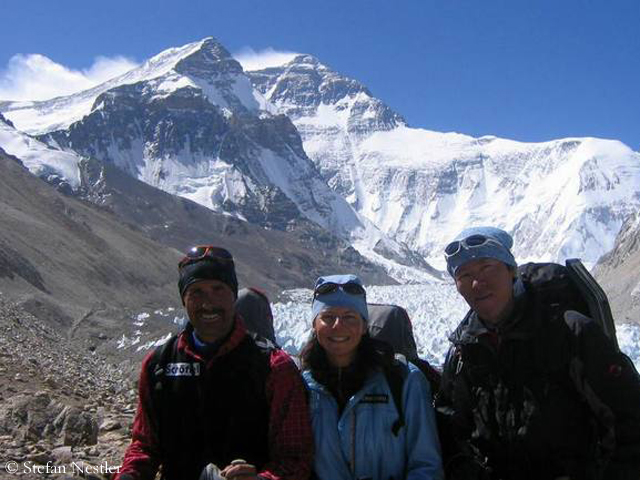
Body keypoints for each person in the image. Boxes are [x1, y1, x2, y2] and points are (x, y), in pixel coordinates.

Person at [435, 226, 640, 480]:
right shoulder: (464, 353)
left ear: (511, 270)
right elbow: (450, 429)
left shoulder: (570, 333)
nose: (477, 283)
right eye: (464, 275)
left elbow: (630, 421)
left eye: (487, 267)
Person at [116, 246, 313, 480]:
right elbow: (144, 446)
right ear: (184, 300)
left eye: (218, 289)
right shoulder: (159, 364)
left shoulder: (273, 366)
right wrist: (130, 475)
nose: (208, 303)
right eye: (196, 292)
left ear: (233, 294)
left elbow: (295, 459)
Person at [300, 274, 444, 480]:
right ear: (315, 325)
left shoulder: (404, 380)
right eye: (328, 317)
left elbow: (426, 465)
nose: (338, 325)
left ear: (364, 325)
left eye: (350, 316)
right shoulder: (301, 385)